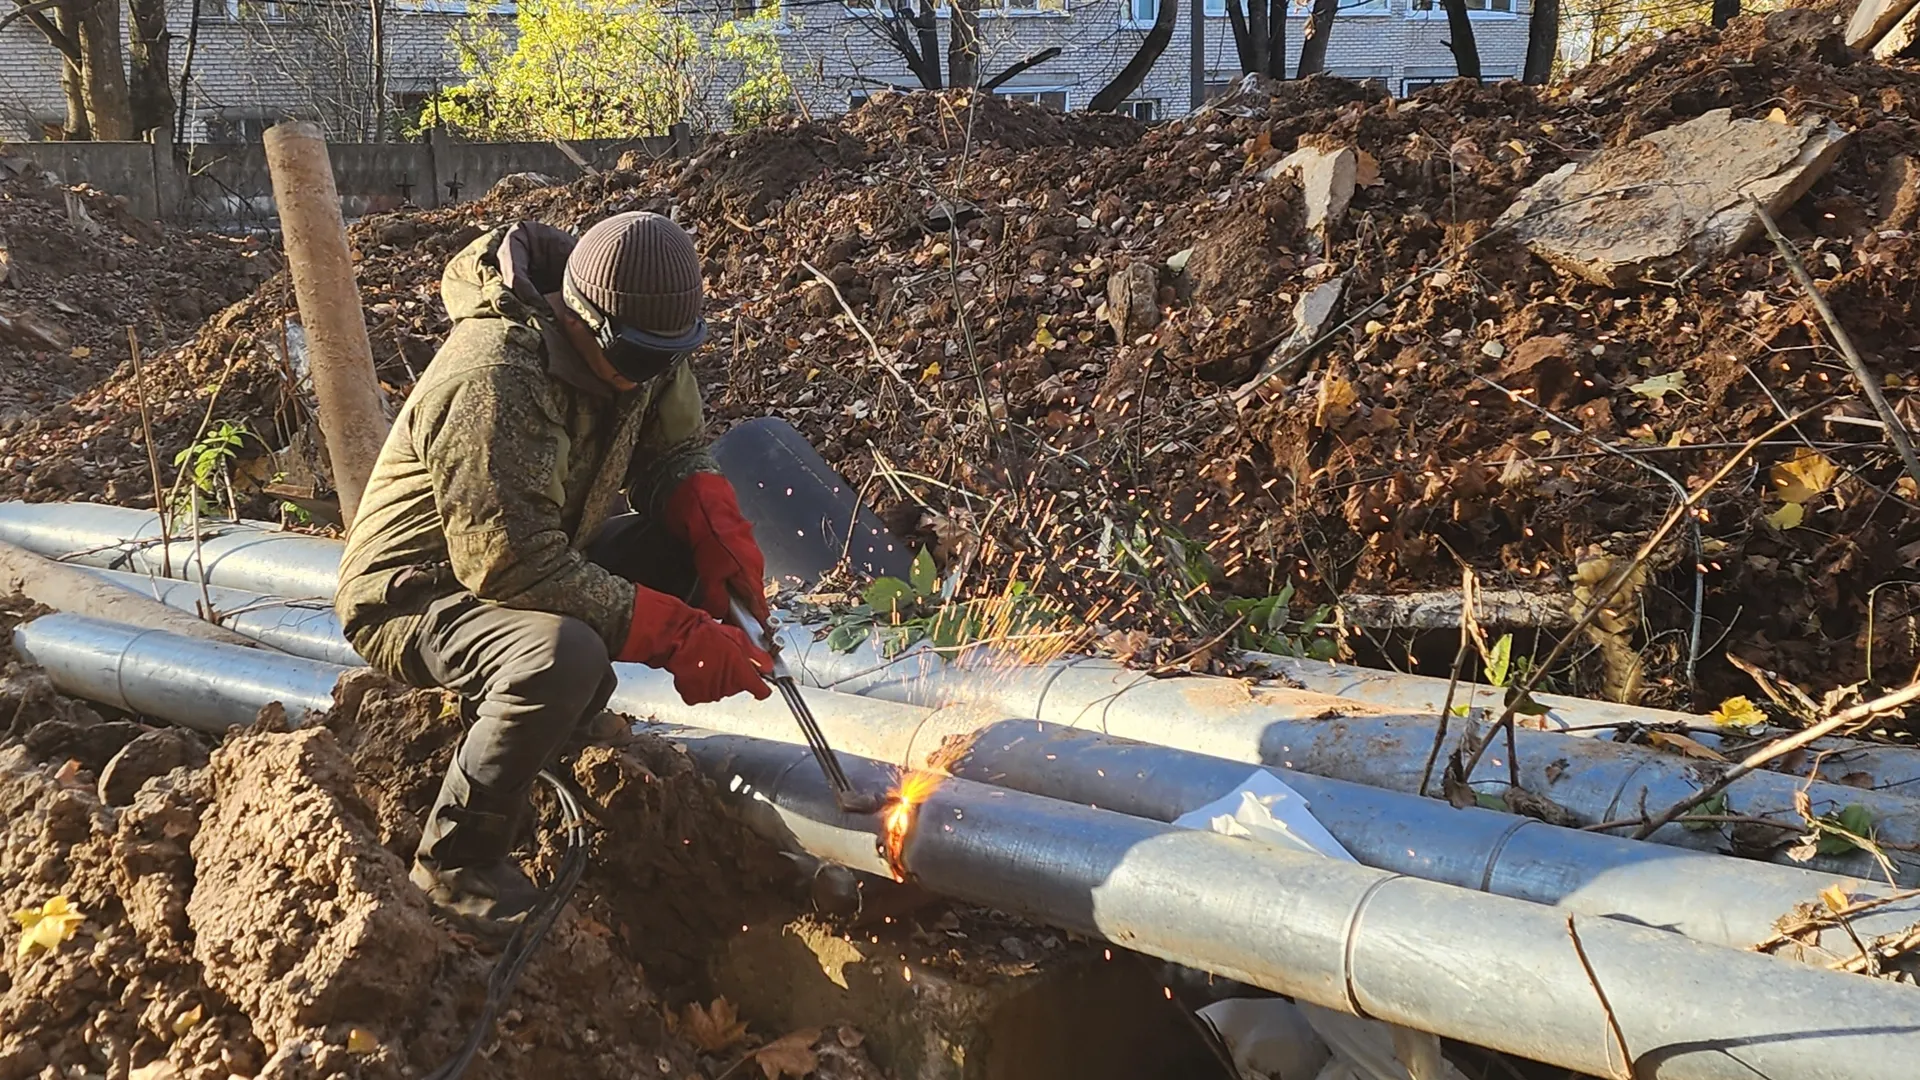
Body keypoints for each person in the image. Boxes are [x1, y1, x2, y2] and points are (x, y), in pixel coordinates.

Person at [334, 211, 774, 925]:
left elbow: (672, 450)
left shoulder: (643, 340)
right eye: (637, 363)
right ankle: (455, 863)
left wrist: (712, 526)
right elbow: (513, 568)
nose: (647, 381)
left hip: (540, 547)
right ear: (581, 319)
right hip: (419, 591)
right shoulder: (494, 376)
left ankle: (544, 730)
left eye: (668, 359)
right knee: (561, 656)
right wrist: (677, 634)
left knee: (679, 557)